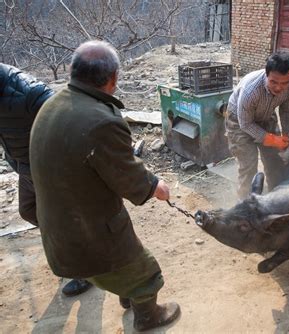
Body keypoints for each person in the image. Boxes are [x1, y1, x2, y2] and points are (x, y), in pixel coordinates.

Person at [29, 40, 180, 331]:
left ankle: (127, 293)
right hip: (86, 233)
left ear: (74, 72)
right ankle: (148, 316)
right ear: (113, 78)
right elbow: (127, 177)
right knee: (147, 273)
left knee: (123, 269)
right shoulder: (102, 121)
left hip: (56, 227)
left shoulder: (51, 104)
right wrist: (155, 185)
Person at [0, 63, 92, 296]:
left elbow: (64, 114)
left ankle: (84, 268)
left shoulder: (25, 89)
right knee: (29, 210)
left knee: (58, 219)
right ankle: (74, 242)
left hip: (47, 164)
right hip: (24, 164)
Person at [225, 51, 289, 199]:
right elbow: (245, 124)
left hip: (266, 116)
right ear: (266, 74)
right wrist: (272, 139)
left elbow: (287, 113)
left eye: (284, 83)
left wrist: (287, 139)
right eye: (273, 82)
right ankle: (245, 205)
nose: (278, 88)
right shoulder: (250, 90)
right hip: (239, 121)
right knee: (248, 166)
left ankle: (275, 198)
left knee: (275, 160)